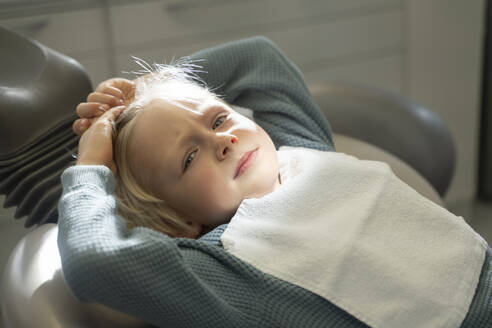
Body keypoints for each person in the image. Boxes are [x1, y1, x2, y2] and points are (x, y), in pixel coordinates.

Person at [58, 36, 492, 328]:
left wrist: (147, 87)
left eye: (220, 118)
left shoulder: (307, 151)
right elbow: (94, 263)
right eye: (190, 158)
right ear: (177, 221)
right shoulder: (222, 269)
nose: (222, 140)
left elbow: (259, 56)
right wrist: (92, 163)